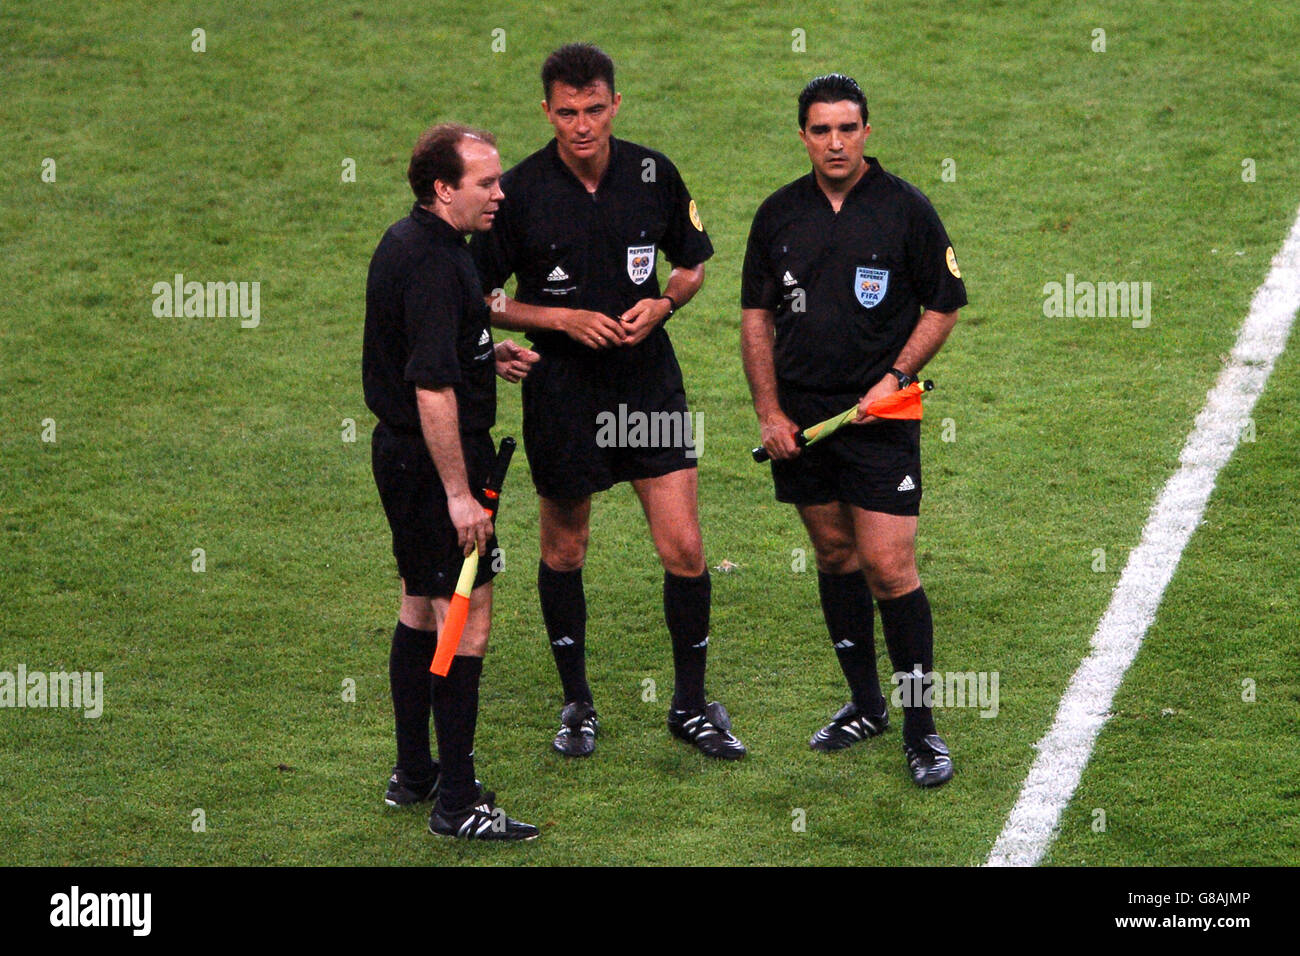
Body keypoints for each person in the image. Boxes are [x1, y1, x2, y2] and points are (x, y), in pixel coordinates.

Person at [470, 43, 745, 760]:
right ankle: (577, 704)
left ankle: (690, 705)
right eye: (568, 113)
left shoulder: (654, 173)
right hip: (562, 391)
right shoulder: (517, 191)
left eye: (595, 109)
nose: (583, 125)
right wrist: (559, 319)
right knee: (565, 549)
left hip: (646, 383)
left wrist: (663, 304)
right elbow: (481, 296)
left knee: (684, 548)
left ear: (616, 104)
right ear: (547, 112)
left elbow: (692, 265)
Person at [740, 74, 967, 787]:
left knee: (889, 566)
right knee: (836, 554)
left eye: (847, 128)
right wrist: (770, 413)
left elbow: (944, 304)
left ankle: (922, 731)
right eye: (821, 130)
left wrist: (895, 376)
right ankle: (866, 706)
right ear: (803, 135)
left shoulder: (906, 209)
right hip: (804, 422)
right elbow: (756, 319)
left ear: (867, 131)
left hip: (882, 417)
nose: (835, 142)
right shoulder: (778, 215)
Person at [364, 122, 542, 838]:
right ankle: (459, 804)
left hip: (402, 456)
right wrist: (460, 495)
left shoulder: (412, 241)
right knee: (464, 620)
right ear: (444, 188)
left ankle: (415, 774)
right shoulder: (438, 263)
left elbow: (427, 347)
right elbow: (431, 387)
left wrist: (483, 354)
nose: (500, 193)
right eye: (486, 182)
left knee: (418, 606)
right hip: (433, 462)